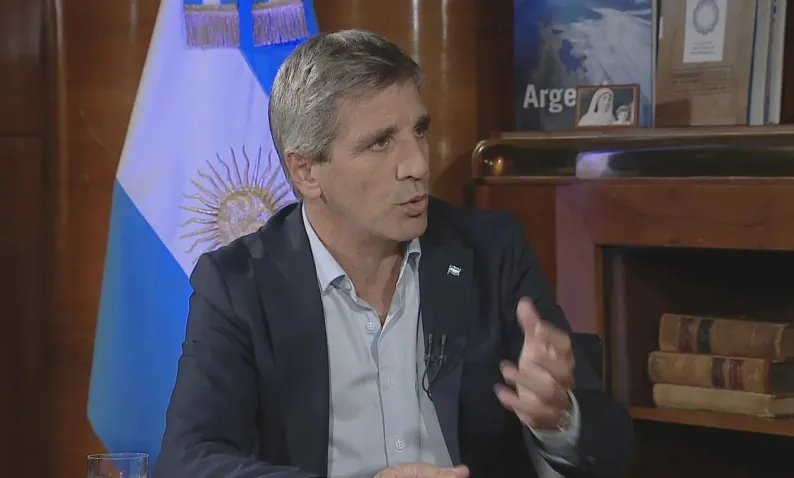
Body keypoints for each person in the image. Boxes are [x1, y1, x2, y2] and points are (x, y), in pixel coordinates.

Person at [153, 29, 634, 478]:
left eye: (419, 131)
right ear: (306, 173)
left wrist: (559, 418)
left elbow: (613, 445)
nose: (418, 164)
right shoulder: (239, 285)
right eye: (381, 143)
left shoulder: (491, 252)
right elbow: (189, 461)